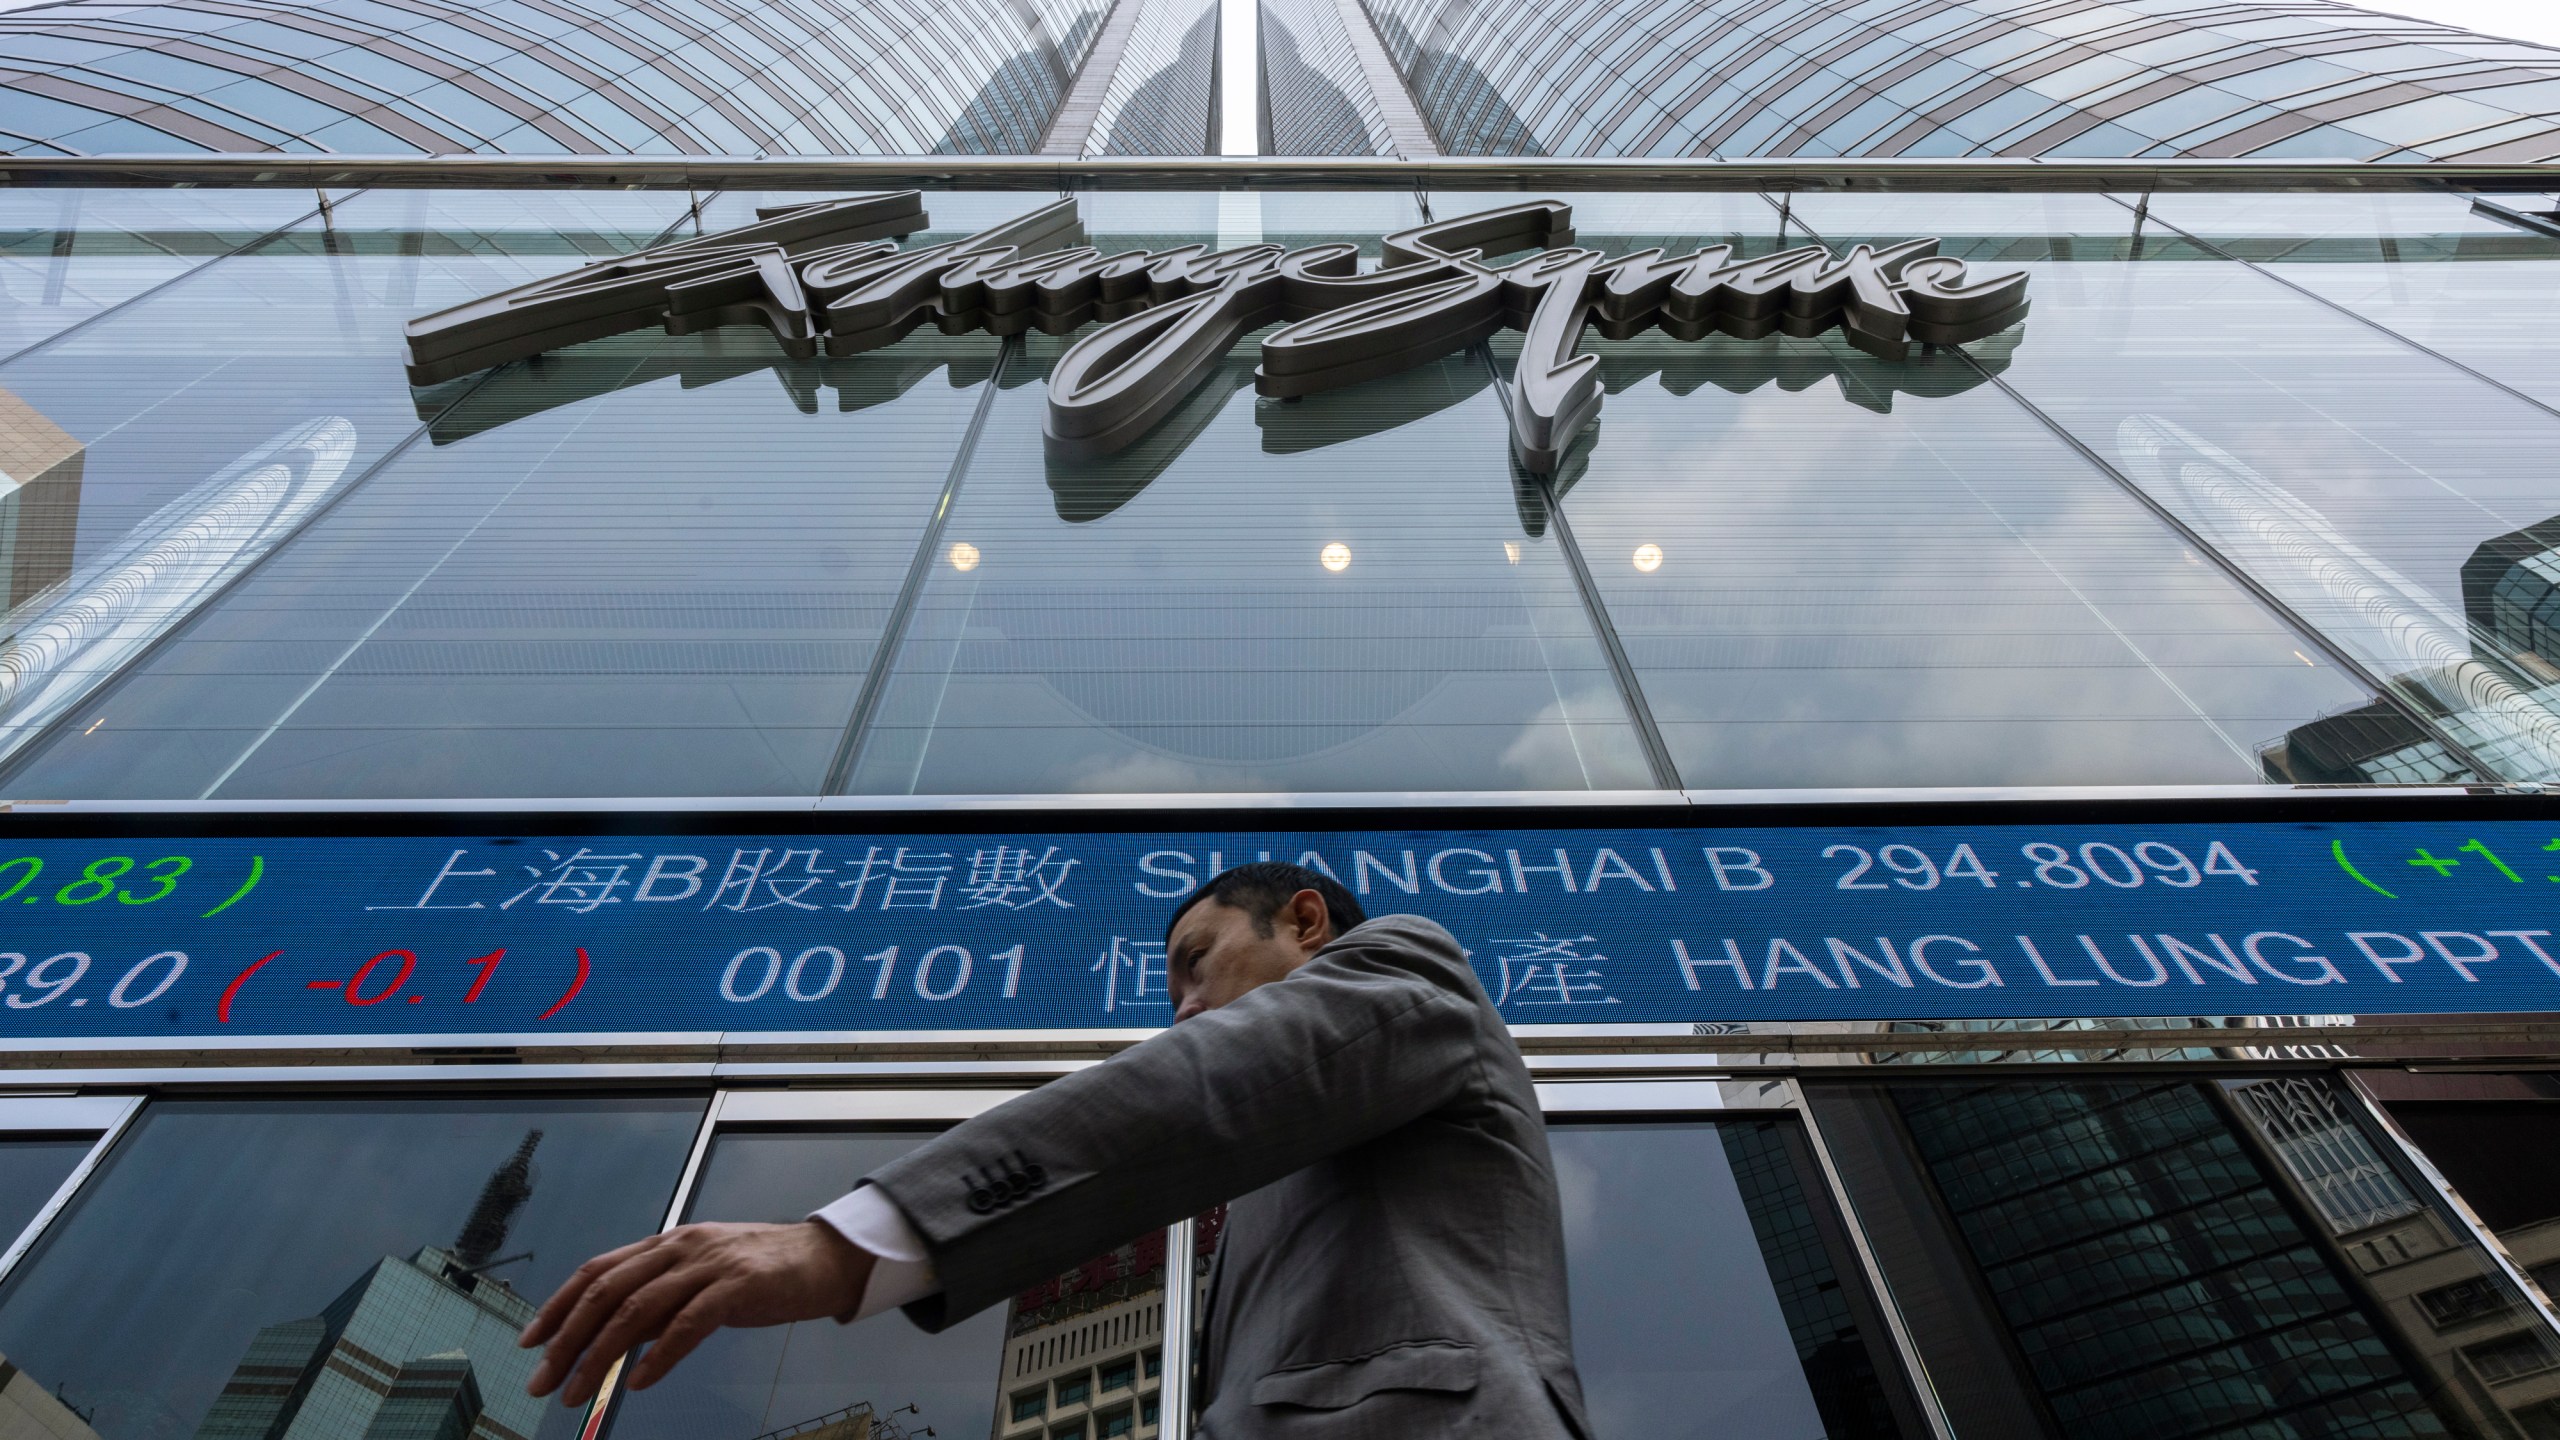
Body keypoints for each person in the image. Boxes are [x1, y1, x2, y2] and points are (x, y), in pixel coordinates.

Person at [519, 861, 1592, 1439]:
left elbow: (1205, 1089)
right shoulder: (1279, 1173)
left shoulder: (1406, 966)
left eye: (1194, 963)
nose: (1179, 1009)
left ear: (1305, 921)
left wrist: (843, 1246)